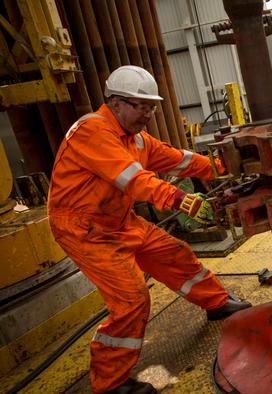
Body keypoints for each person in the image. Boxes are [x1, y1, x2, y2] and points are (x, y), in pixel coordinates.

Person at [47, 65, 252, 394]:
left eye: (151, 107)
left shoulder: (136, 139)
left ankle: (216, 303)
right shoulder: (92, 131)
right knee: (131, 299)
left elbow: (179, 160)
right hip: (83, 228)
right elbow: (134, 179)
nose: (148, 114)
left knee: (176, 255)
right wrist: (182, 200)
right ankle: (110, 384)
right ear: (115, 103)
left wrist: (228, 164)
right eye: (140, 106)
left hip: (118, 220)